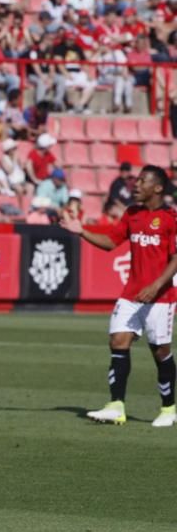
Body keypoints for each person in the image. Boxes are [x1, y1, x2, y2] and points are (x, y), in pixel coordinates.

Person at [60, 165, 177, 428]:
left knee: (160, 351)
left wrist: (157, 285)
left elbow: (176, 258)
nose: (136, 185)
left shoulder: (170, 218)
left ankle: (169, 408)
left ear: (157, 188)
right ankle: (116, 406)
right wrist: (81, 231)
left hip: (161, 296)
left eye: (142, 181)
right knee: (118, 340)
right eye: (136, 181)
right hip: (132, 293)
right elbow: (112, 242)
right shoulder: (132, 214)